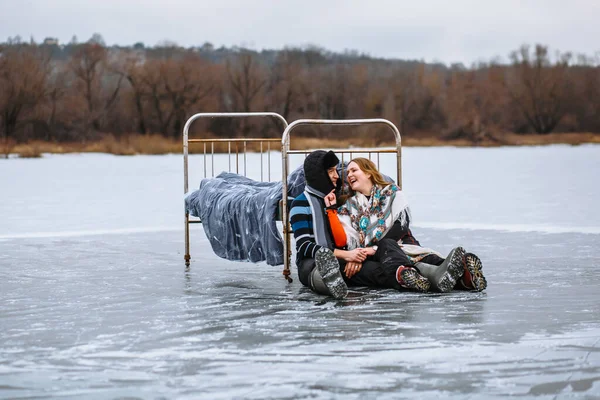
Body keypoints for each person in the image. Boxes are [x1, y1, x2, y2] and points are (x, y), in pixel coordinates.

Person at [289, 150, 431, 299]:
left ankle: (416, 277)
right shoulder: (300, 203)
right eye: (331, 171)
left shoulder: (334, 201)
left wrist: (355, 256)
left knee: (377, 270)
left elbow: (347, 236)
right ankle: (330, 283)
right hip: (311, 262)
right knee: (319, 269)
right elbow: (304, 246)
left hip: (341, 259)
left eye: (336, 171)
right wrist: (348, 255)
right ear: (318, 173)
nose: (337, 176)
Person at [337, 157, 487, 292]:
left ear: (368, 173)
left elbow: (401, 225)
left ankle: (465, 277)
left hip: (399, 245)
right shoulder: (348, 206)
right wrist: (356, 256)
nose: (349, 175)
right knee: (387, 246)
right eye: (347, 172)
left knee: (427, 259)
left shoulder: (392, 193)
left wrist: (373, 247)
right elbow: (349, 237)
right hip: (372, 254)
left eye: (354, 170)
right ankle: (407, 275)